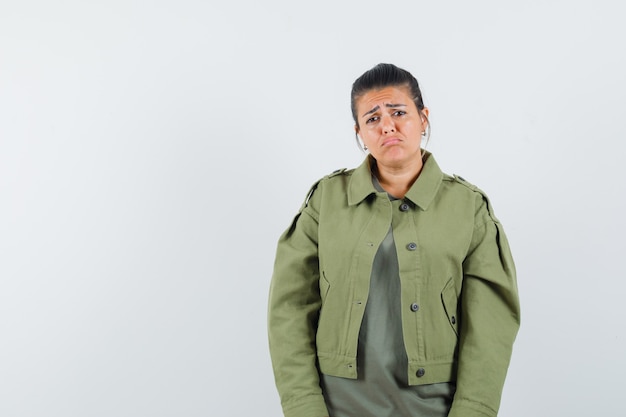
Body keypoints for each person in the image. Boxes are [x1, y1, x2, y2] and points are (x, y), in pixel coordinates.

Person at [267, 63, 520, 417]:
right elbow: (289, 310)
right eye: (372, 118)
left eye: (399, 112)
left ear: (423, 118)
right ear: (360, 132)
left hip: (436, 407)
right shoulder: (325, 201)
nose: (387, 125)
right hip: (337, 406)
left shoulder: (469, 208)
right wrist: (304, 408)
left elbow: (490, 327)